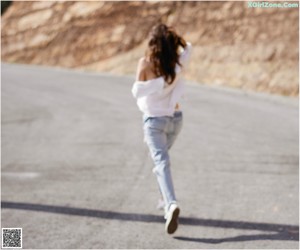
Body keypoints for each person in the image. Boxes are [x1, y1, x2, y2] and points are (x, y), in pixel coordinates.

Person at [131, 23, 192, 234]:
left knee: (161, 163)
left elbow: (136, 91)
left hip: (155, 122)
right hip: (176, 119)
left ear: (152, 43)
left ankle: (171, 204)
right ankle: (164, 202)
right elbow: (189, 47)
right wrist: (176, 39)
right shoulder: (177, 64)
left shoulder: (145, 63)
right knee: (161, 163)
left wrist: (156, 85)